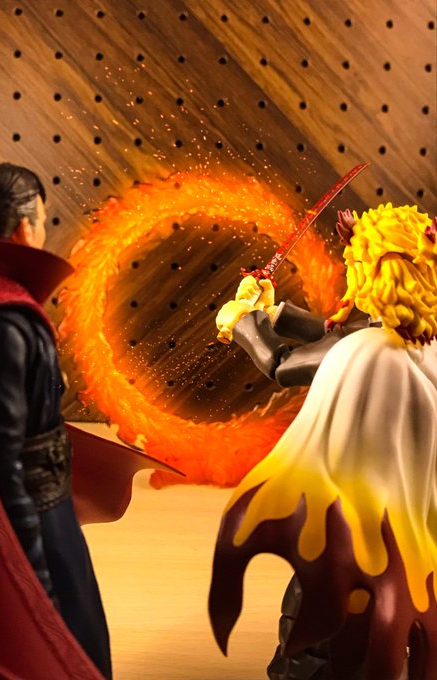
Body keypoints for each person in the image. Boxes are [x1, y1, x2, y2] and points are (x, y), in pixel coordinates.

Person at [209, 203, 437, 679]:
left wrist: (242, 320)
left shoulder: (368, 353)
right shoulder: (423, 337)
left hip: (355, 531)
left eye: (356, 266)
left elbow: (285, 364)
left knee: (317, 641)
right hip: (417, 530)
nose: (349, 276)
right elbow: (349, 334)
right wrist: (274, 312)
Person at [0, 163, 111, 679]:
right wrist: (32, 586)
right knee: (71, 651)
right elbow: (2, 468)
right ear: (25, 228)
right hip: (32, 525)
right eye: (43, 220)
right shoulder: (1, 319)